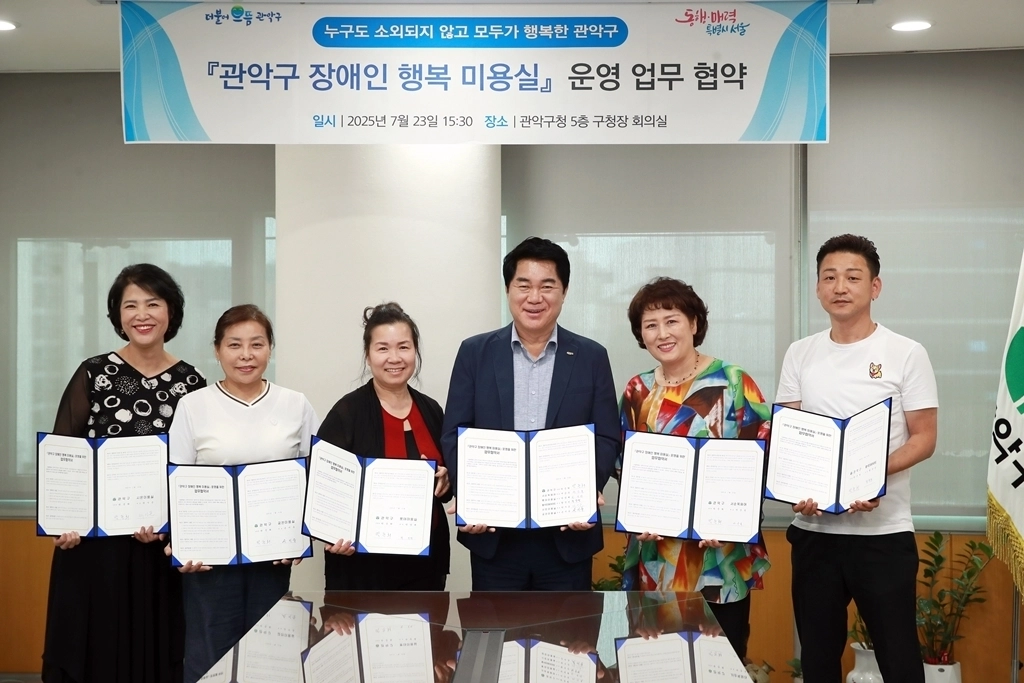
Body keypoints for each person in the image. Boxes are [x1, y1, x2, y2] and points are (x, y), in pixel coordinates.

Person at [777, 234, 938, 683]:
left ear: (875, 287)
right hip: (814, 533)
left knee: (899, 659)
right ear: (817, 288)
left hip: (883, 534)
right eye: (829, 277)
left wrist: (869, 477)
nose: (840, 287)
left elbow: (925, 437)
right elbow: (790, 438)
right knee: (818, 661)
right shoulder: (800, 353)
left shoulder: (906, 352)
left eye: (852, 277)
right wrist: (797, 488)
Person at [43, 263, 205, 683]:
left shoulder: (192, 383)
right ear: (117, 314)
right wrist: (63, 522)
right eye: (130, 305)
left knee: (153, 657)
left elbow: (195, 471)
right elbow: (65, 454)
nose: (142, 314)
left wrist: (172, 529)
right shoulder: (94, 373)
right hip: (94, 548)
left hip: (158, 552)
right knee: (95, 654)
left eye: (153, 303)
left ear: (171, 311)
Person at [440, 236, 620, 591]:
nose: (534, 297)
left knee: (568, 628)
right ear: (508, 289)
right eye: (524, 285)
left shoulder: (591, 356)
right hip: (495, 537)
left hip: (568, 536)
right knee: (494, 625)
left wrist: (585, 493)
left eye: (547, 286)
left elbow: (606, 436)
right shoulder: (475, 353)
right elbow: (455, 432)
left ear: (564, 291)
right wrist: (472, 496)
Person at [617, 276, 771, 661]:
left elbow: (763, 457)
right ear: (641, 334)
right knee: (656, 666)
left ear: (694, 323)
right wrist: (638, 514)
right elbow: (626, 465)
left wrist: (732, 519)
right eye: (651, 325)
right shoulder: (637, 391)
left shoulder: (733, 381)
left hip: (719, 558)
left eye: (672, 321)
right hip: (656, 559)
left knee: (720, 666)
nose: (662, 333)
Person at [167, 304, 319, 683]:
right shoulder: (193, 406)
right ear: (217, 350)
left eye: (257, 344)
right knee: (209, 661)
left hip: (272, 559)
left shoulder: (295, 404)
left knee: (271, 660)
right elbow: (176, 481)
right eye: (234, 345)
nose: (246, 355)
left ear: (270, 349)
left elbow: (315, 479)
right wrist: (180, 543)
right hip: (209, 561)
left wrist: (300, 537)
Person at [316, 302, 452, 590]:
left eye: (404, 347)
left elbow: (447, 480)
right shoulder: (347, 413)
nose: (395, 358)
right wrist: (331, 532)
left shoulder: (432, 411)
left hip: (426, 566)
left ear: (415, 351)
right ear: (368, 356)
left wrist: (445, 480)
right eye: (383, 348)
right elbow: (323, 488)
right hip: (362, 569)